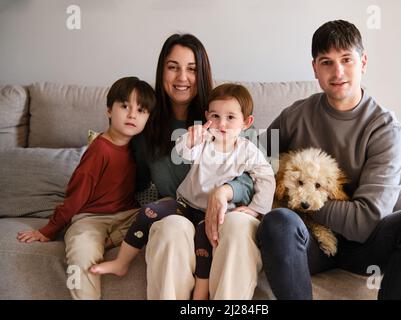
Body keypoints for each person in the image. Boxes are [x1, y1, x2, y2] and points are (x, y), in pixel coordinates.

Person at [257, 20, 401, 300]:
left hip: (368, 247)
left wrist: (302, 199)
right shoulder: (294, 116)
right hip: (308, 243)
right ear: (315, 69)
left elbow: (366, 220)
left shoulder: (385, 128)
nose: (338, 72)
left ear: (363, 62)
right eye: (327, 62)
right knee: (278, 222)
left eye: (347, 59)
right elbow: (249, 159)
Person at [90, 83, 275, 300]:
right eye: (215, 116)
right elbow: (182, 153)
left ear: (246, 123)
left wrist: (255, 209)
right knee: (150, 211)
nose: (222, 124)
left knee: (205, 247)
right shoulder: (205, 140)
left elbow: (266, 177)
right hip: (185, 205)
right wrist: (190, 138)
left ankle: (199, 297)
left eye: (231, 118)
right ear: (207, 116)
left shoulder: (247, 150)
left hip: (215, 214)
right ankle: (121, 262)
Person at [129, 34, 260, 299]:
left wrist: (225, 191)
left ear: (202, 74)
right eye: (173, 66)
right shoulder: (145, 125)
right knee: (170, 228)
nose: (182, 78)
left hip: (226, 213)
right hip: (178, 212)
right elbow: (137, 182)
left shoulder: (225, 111)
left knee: (238, 226)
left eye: (191, 69)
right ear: (161, 70)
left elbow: (254, 176)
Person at [17, 76, 155, 300]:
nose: (132, 114)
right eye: (125, 106)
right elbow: (76, 195)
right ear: (109, 110)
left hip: (127, 216)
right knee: (81, 254)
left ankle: (109, 243)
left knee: (157, 217)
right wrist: (49, 229)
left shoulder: (138, 149)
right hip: (90, 218)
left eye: (141, 110)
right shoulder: (99, 149)